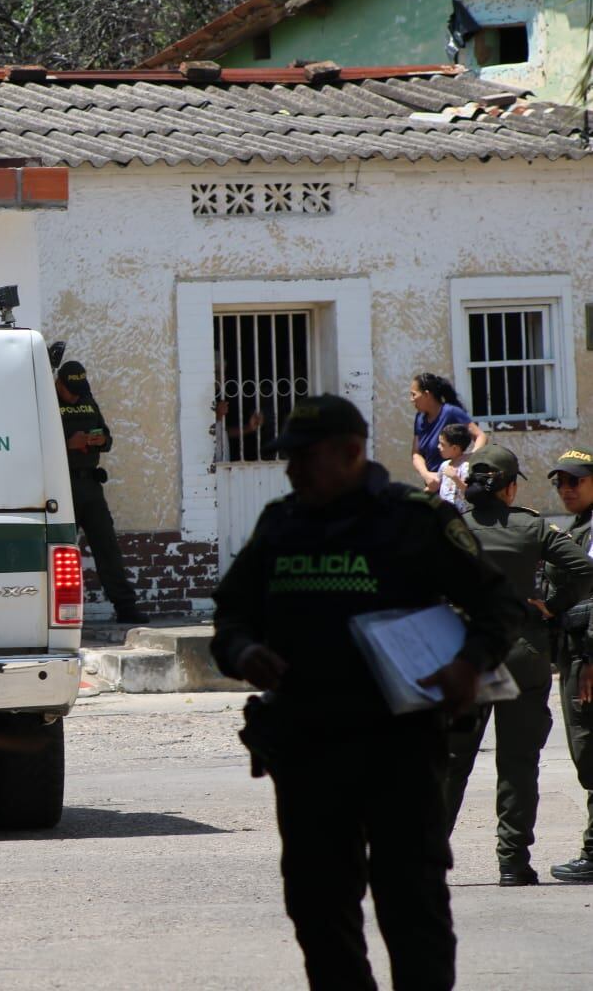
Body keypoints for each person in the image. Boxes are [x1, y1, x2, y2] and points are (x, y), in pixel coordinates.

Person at [210, 393, 520, 991]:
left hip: (398, 745)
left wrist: (468, 665)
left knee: (412, 904)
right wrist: (244, 652)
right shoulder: (282, 522)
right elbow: (231, 615)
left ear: (351, 453)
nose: (292, 470)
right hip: (306, 746)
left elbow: (497, 607)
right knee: (318, 908)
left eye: (305, 457)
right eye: (289, 458)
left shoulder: (414, 518)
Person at [443, 445, 593, 885]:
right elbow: (583, 570)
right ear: (510, 488)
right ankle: (513, 864)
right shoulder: (533, 527)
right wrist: (552, 605)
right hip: (523, 653)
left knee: (452, 761)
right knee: (518, 763)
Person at [55, 360, 147, 624]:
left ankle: (126, 607)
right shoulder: (45, 400)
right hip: (62, 485)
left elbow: (107, 435)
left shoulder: (87, 398)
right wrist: (68, 444)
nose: (75, 395)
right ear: (59, 384)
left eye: (78, 390)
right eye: (70, 390)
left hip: (90, 486)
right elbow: (33, 445)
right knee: (60, 550)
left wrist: (101, 440)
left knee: (107, 547)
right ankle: (60, 615)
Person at [543, 447, 593, 883]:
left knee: (591, 749)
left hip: (587, 657)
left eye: (574, 480)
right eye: (560, 482)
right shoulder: (577, 529)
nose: (565, 489)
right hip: (573, 651)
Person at [410, 372, 486, 494]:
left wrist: (467, 459)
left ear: (426, 395)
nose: (411, 399)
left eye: (414, 395)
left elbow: (480, 436)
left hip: (454, 488)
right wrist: (427, 475)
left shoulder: (451, 412)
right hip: (434, 486)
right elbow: (416, 453)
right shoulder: (419, 418)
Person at [435, 423, 473, 513]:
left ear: (455, 448)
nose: (438, 447)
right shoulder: (444, 465)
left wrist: (455, 477)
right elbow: (435, 483)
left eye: (442, 444)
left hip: (462, 514)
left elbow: (468, 491)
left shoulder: (465, 466)